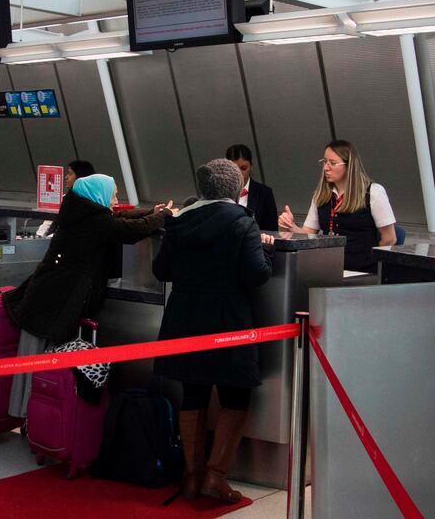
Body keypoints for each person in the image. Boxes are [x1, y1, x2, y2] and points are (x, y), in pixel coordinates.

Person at [153, 159, 275, 503]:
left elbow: (161, 270)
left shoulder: (180, 221)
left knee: (193, 393)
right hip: (227, 318)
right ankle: (215, 477)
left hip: (184, 316)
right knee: (235, 395)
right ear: (235, 189)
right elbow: (256, 274)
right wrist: (268, 252)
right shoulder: (242, 222)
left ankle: (192, 478)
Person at [5, 174, 173, 417]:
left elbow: (118, 217)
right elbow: (127, 229)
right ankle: (31, 416)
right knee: (36, 362)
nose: (116, 200)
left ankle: (36, 417)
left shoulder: (82, 213)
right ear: (98, 196)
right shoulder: (94, 221)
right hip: (49, 301)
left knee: (43, 362)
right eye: (113, 195)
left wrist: (151, 211)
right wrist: (161, 216)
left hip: (50, 296)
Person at [278, 139, 396, 273]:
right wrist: (290, 226)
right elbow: (308, 235)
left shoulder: (373, 192)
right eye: (324, 162)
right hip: (328, 269)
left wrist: (373, 266)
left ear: (349, 166)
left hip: (363, 271)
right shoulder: (321, 195)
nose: (326, 168)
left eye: (332, 163)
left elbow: (389, 239)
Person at [36, 160, 96, 237]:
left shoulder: (92, 202)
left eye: (70, 174)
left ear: (81, 176)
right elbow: (48, 222)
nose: (66, 177)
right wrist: (40, 235)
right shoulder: (63, 199)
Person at [225, 144, 278, 231]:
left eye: (243, 168)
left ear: (251, 167)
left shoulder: (264, 193)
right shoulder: (218, 193)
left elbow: (272, 230)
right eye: (234, 169)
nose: (239, 173)